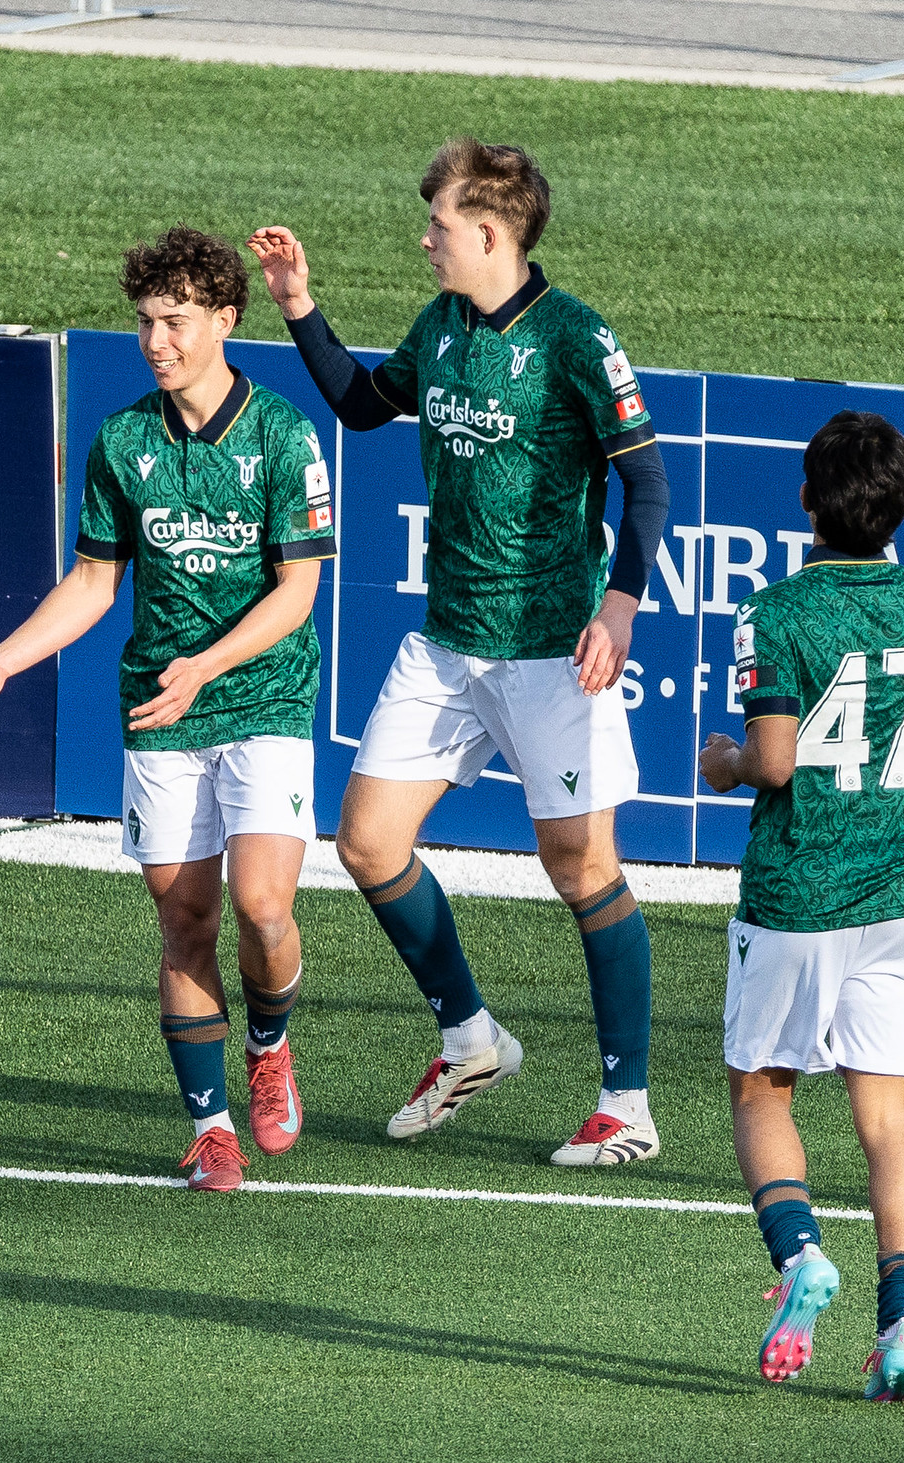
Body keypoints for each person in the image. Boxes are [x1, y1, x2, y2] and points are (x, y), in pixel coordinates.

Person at [248, 137, 672, 1163]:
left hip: (546, 652)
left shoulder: (575, 337)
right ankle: (469, 1034)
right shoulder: (438, 326)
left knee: (582, 870)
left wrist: (618, 605)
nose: (425, 238)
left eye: (437, 224)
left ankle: (628, 1105)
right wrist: (299, 305)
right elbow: (359, 406)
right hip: (445, 643)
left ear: (489, 232)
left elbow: (645, 480)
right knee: (365, 842)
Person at [0, 227, 334, 1192]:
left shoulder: (281, 434)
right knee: (183, 917)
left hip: (265, 696)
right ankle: (210, 1126)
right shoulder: (122, 442)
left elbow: (298, 591)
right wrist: (2, 663)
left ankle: (269, 1040)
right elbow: (94, 583)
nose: (156, 340)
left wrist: (210, 664)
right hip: (161, 710)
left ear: (225, 321)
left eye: (176, 321)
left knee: (264, 905)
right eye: (146, 321)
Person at [698, 410, 904, 1401]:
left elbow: (772, 757)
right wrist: (900, 813)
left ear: (806, 501)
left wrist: (724, 763)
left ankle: (798, 1256)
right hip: (898, 899)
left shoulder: (774, 611)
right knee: (888, 1122)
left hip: (793, 897)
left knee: (760, 1088)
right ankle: (901, 1322)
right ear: (900, 505)